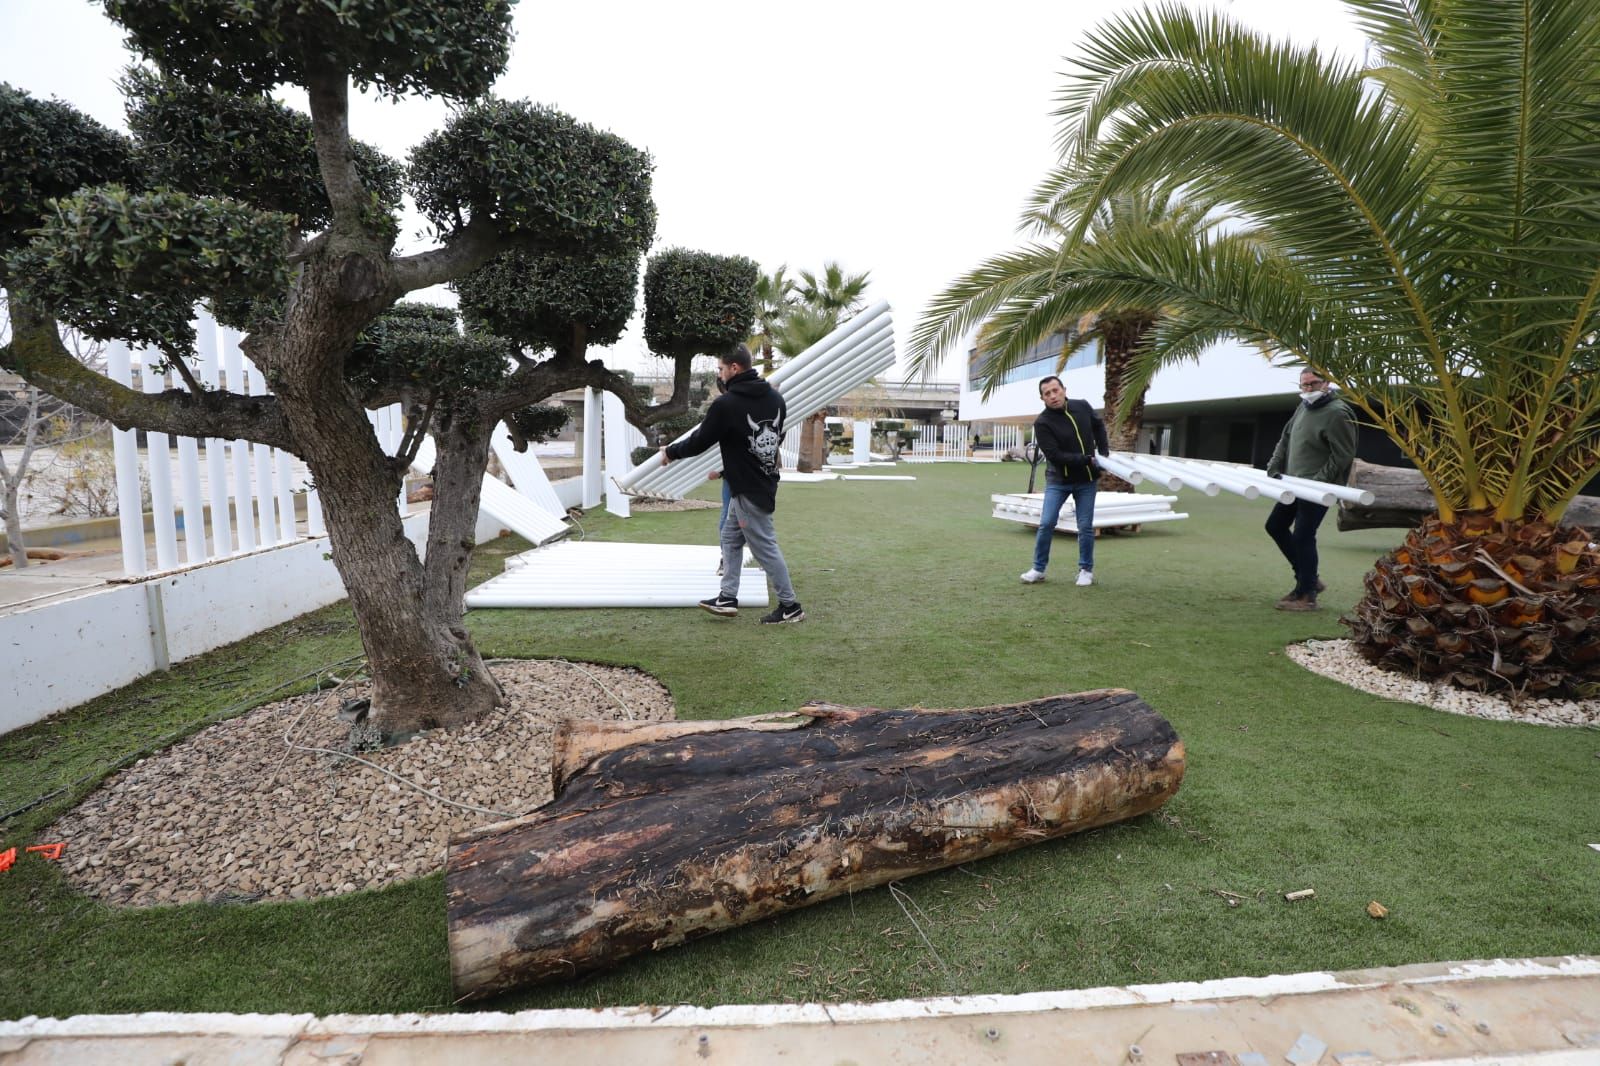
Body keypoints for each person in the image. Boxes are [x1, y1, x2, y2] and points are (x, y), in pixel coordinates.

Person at [660, 343, 803, 623]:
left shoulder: (726, 404)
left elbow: (700, 441)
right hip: (759, 482)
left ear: (734, 368)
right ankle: (727, 597)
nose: (720, 374)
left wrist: (670, 452)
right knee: (729, 537)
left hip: (749, 489)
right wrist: (732, 469)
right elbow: (773, 440)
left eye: (720, 369)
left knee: (765, 548)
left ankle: (790, 606)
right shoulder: (776, 399)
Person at [1264, 368, 1358, 611]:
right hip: (1294, 483)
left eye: (1313, 384)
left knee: (1304, 535)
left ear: (1327, 383)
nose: (1307, 389)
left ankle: (1307, 595)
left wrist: (1317, 482)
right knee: (1275, 526)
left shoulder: (1338, 413)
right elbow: (1285, 438)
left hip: (1319, 488)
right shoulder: (1303, 407)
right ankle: (1309, 580)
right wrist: (1274, 465)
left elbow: (1343, 455)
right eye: (1303, 384)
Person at [1021, 375, 1109, 587]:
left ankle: (1086, 570)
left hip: (1086, 480)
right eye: (1047, 393)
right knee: (1047, 522)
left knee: (1085, 526)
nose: (1053, 396)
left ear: (1063, 389)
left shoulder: (1082, 406)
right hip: (1059, 480)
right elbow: (1055, 456)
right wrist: (1087, 459)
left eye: (1055, 390)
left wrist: (1103, 453)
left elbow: (1098, 426)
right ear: (1042, 398)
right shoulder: (1042, 423)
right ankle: (1038, 569)